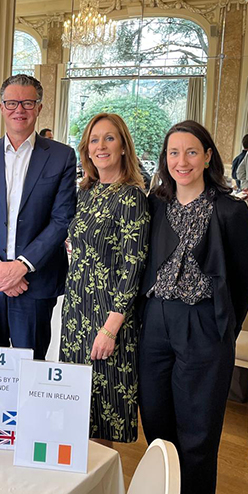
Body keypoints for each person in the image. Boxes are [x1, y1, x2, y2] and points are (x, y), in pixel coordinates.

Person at [138, 120, 248, 494]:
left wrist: (223, 330)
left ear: (207, 157)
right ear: (164, 159)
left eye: (191, 152)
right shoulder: (154, 205)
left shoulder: (230, 210)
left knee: (198, 432)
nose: (181, 161)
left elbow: (242, 280)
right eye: (173, 152)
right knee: (155, 422)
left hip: (204, 324)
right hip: (155, 321)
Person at [0, 74, 76, 360]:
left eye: (27, 103)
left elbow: (62, 219)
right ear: (1, 107)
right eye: (11, 103)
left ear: (39, 107)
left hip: (35, 283)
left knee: (31, 370)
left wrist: (22, 266)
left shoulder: (62, 156)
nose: (18, 110)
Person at [59, 113, 149, 446]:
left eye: (109, 138)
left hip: (108, 318)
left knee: (100, 418)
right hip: (76, 312)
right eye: (95, 140)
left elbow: (133, 266)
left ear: (124, 146)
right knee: (76, 409)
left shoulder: (132, 197)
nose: (101, 146)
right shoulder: (86, 193)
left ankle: (101, 492)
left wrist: (111, 328)